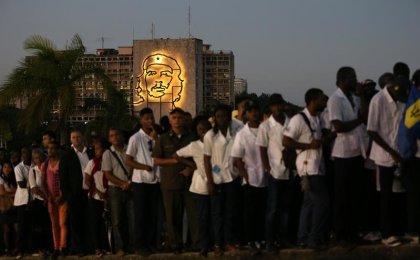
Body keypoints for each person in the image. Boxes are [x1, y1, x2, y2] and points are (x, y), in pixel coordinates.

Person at [283, 88, 329, 249]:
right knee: (322, 203)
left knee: (308, 204)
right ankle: (313, 238)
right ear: (313, 100)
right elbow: (286, 141)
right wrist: (308, 145)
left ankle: (303, 237)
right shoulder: (298, 119)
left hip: (316, 165)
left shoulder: (316, 118)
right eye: (322, 100)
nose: (324, 102)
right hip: (308, 167)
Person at [367, 76, 410, 246]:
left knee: (399, 195)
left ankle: (399, 231)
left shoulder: (400, 101)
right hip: (384, 157)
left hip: (399, 155)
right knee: (386, 195)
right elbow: (372, 131)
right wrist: (391, 152)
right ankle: (386, 234)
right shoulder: (378, 100)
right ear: (395, 88)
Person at [327, 67, 365, 245]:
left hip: (357, 151)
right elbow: (338, 126)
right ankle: (339, 234)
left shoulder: (355, 98)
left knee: (354, 196)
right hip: (343, 154)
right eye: (353, 77)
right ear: (343, 79)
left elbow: (365, 116)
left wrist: (362, 95)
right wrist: (358, 121)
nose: (356, 80)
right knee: (342, 197)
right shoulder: (335, 100)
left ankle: (352, 232)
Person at [152, 108, 198, 254]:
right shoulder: (163, 139)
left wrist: (190, 169)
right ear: (170, 120)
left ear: (184, 119)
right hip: (170, 183)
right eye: (174, 118)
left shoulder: (192, 137)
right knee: (172, 217)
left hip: (191, 182)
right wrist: (174, 161)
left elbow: (200, 158)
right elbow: (157, 160)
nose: (177, 120)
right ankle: (175, 245)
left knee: (194, 215)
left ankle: (195, 243)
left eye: (180, 117)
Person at [203, 104, 240, 256]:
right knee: (217, 213)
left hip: (232, 176)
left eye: (225, 115)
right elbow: (206, 160)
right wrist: (209, 181)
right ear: (215, 118)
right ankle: (217, 243)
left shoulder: (235, 133)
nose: (222, 119)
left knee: (230, 212)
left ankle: (228, 241)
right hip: (217, 178)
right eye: (219, 116)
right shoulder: (210, 135)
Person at [256, 93, 291, 252]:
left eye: (279, 105)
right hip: (274, 171)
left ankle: (282, 239)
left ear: (283, 105)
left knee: (285, 208)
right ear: (270, 108)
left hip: (290, 170)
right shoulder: (265, 126)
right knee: (273, 208)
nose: (277, 108)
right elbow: (262, 149)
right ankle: (270, 241)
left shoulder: (291, 122)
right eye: (274, 105)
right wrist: (267, 168)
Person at [231, 101, 267, 254]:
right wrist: (244, 175)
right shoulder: (241, 134)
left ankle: (261, 238)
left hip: (265, 176)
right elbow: (237, 158)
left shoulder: (265, 130)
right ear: (246, 114)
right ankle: (251, 239)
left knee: (262, 210)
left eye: (255, 111)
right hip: (250, 177)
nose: (254, 114)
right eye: (250, 112)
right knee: (250, 212)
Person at [174, 116, 212, 257]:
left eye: (205, 129)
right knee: (202, 218)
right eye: (199, 130)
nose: (203, 132)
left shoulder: (217, 143)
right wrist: (192, 165)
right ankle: (204, 245)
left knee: (215, 216)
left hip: (216, 183)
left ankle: (215, 243)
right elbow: (176, 155)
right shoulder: (194, 145)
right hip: (199, 187)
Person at [125, 108, 160, 255]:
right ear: (141, 120)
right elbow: (128, 160)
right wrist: (143, 166)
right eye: (146, 118)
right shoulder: (135, 138)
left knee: (152, 214)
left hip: (155, 180)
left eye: (151, 118)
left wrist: (155, 139)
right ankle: (139, 245)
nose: (150, 121)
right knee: (141, 215)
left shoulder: (156, 136)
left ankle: (151, 243)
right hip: (140, 181)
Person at [102, 127, 135, 256]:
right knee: (117, 220)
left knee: (133, 218)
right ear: (109, 139)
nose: (115, 137)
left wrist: (130, 182)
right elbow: (108, 174)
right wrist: (122, 184)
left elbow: (135, 167)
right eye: (112, 136)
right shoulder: (107, 153)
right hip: (115, 189)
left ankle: (133, 245)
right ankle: (120, 247)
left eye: (117, 135)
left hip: (131, 187)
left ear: (122, 136)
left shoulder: (130, 150)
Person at [59, 129, 90, 255]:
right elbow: (63, 177)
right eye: (73, 137)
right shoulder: (67, 155)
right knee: (75, 222)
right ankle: (78, 248)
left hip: (90, 192)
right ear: (71, 139)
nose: (76, 139)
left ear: (82, 137)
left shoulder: (90, 153)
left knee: (88, 220)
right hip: (74, 194)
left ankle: (89, 246)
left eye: (78, 136)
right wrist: (68, 195)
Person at [42, 141, 68, 257]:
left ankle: (63, 246)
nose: (50, 150)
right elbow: (43, 181)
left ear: (57, 149)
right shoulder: (46, 164)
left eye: (53, 148)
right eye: (49, 148)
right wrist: (48, 196)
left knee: (63, 223)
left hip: (62, 198)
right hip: (51, 199)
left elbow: (65, 179)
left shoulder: (62, 162)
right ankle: (56, 247)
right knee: (54, 224)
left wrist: (62, 196)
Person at [85, 138, 109, 257]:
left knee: (107, 223)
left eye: (99, 148)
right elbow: (87, 180)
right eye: (95, 149)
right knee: (95, 223)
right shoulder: (91, 163)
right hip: (94, 196)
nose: (96, 151)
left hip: (109, 196)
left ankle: (107, 246)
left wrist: (107, 194)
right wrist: (98, 191)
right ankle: (97, 247)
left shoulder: (110, 161)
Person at [405, 70, 420, 243]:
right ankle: (415, 230)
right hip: (415, 155)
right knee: (415, 195)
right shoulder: (413, 102)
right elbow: (410, 129)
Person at [28, 148, 51, 256]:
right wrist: (46, 198)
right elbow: (34, 188)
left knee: (48, 226)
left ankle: (49, 247)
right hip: (39, 201)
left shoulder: (48, 167)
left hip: (50, 200)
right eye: (36, 158)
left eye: (40, 157)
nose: (39, 159)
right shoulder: (32, 170)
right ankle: (40, 249)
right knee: (38, 227)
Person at [14, 146, 32, 258]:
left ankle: (28, 249)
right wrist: (33, 184)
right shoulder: (18, 167)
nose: (25, 155)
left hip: (32, 199)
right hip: (22, 201)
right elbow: (21, 184)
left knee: (30, 225)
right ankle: (19, 250)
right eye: (23, 153)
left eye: (27, 153)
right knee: (21, 226)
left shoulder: (33, 166)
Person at [0, 162, 17, 256]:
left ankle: (16, 248)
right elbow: (2, 192)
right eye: (5, 167)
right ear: (2, 169)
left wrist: (10, 191)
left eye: (8, 167)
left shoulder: (13, 179)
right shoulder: (1, 179)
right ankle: (8, 249)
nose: (7, 169)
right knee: (6, 229)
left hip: (14, 207)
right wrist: (15, 193)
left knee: (16, 228)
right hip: (5, 207)